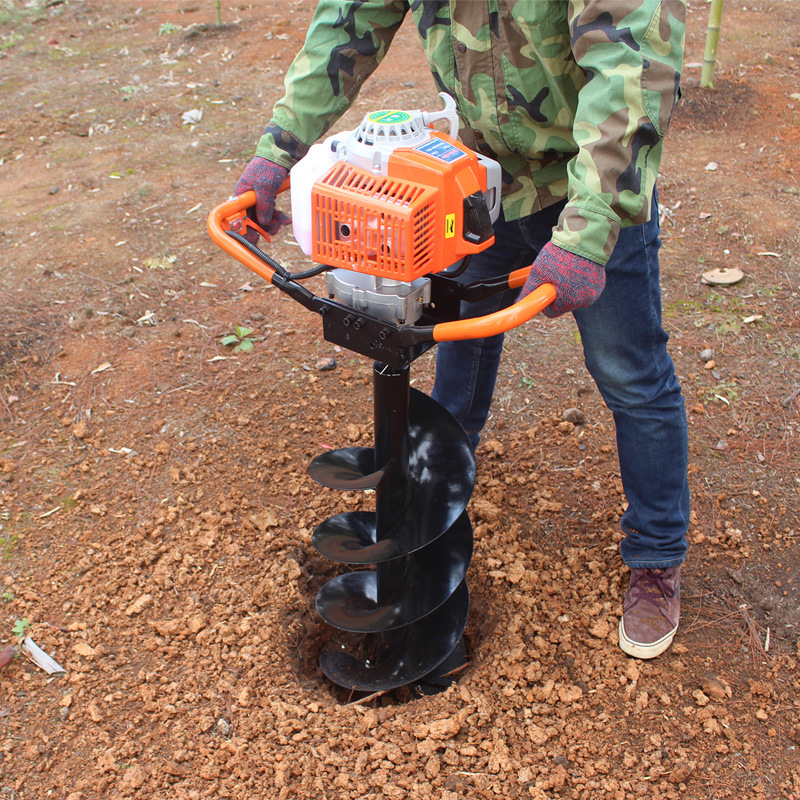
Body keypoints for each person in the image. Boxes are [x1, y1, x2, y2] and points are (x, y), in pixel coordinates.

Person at [234, 0, 690, 660]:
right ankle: (432, 498)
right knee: (459, 334)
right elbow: (350, 21)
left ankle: (656, 555)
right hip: (480, 181)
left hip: (592, 185)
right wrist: (278, 150)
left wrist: (588, 234)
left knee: (630, 372)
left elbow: (632, 69)